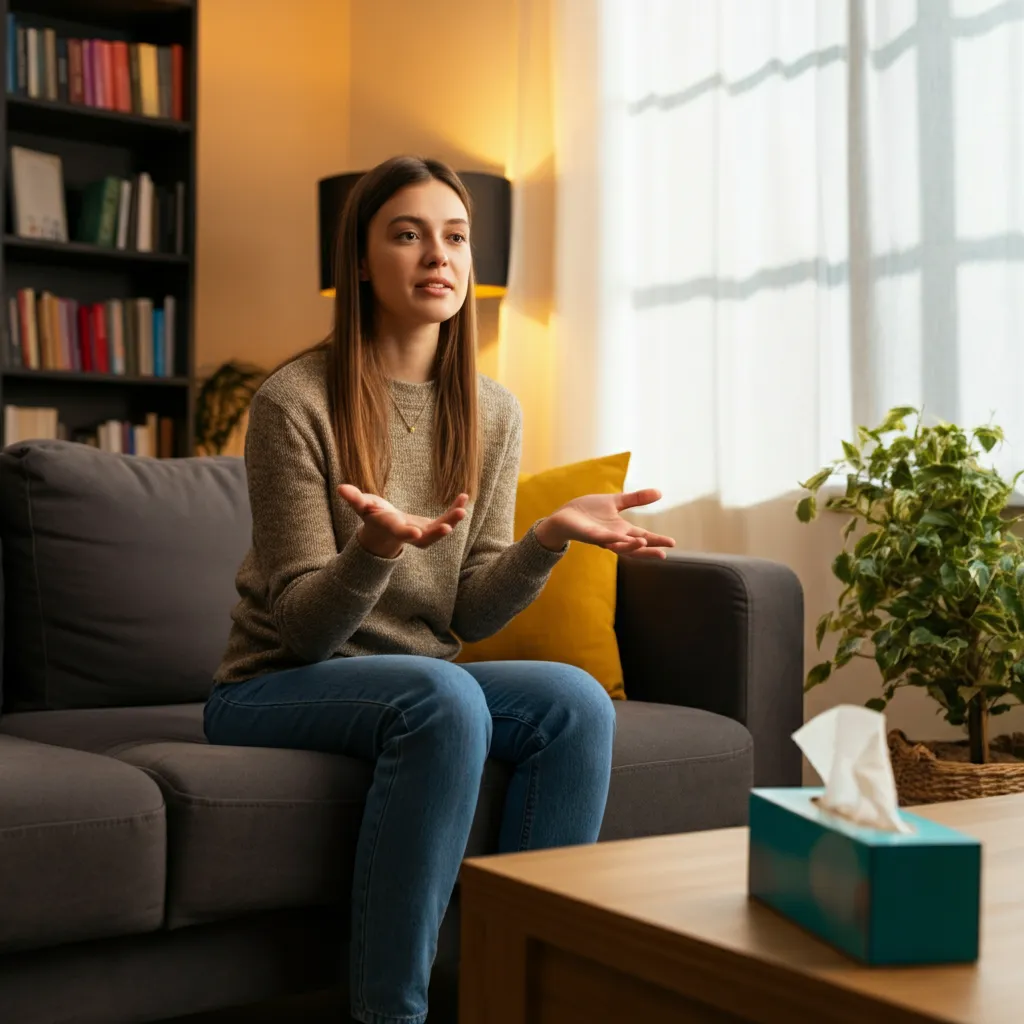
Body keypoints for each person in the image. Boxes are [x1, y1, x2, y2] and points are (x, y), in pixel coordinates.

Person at [203, 155, 676, 1024]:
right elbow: (303, 630)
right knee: (445, 696)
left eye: (455, 237)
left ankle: (528, 993)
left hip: (419, 675)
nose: (439, 256)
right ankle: (392, 1015)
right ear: (359, 262)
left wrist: (547, 538)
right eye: (408, 234)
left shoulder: (493, 411)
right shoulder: (293, 400)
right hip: (274, 683)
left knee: (574, 702)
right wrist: (374, 552)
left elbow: (467, 613)